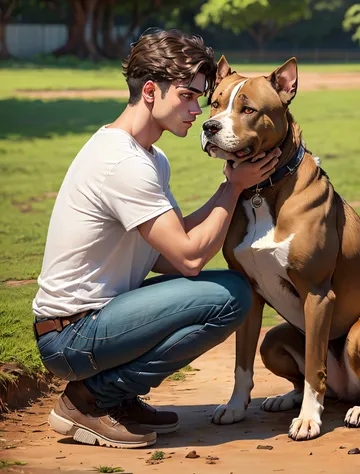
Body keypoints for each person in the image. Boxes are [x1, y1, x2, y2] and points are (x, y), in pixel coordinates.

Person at [32, 28, 281, 449]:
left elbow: (170, 246)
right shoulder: (121, 162)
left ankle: (119, 396)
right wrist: (233, 188)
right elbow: (186, 259)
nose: (196, 110)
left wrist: (232, 187)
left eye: (200, 98)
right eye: (187, 96)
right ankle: (89, 400)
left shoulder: (150, 157)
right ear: (150, 91)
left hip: (98, 320)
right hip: (70, 336)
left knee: (224, 289)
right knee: (232, 295)